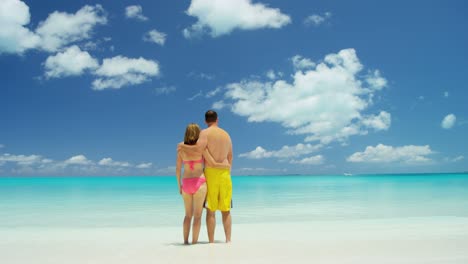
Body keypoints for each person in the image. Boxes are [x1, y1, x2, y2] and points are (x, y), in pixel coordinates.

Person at [178, 110, 233, 243]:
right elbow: (230, 156)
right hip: (225, 173)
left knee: (211, 210)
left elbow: (198, 149)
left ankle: (211, 242)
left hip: (210, 172)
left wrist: (182, 146)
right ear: (217, 119)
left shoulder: (204, 133)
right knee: (226, 209)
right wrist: (226, 169)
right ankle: (228, 240)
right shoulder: (226, 135)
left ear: (205, 121)